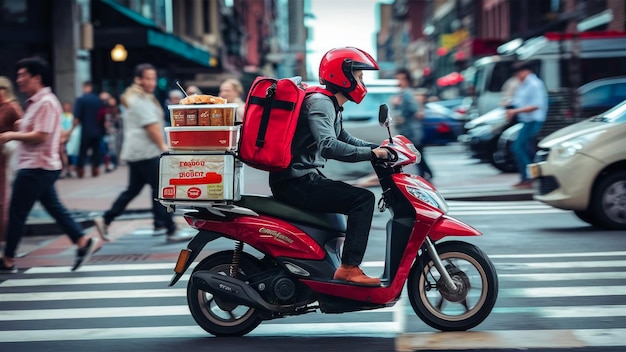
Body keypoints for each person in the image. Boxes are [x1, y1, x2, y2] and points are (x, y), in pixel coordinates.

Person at [269, 47, 388, 286]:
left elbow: (344, 137)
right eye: (358, 75)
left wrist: (381, 147)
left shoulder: (331, 104)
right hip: (296, 181)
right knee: (362, 200)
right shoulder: (321, 103)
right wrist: (370, 154)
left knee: (346, 204)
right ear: (341, 75)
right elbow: (329, 146)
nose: (361, 81)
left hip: (304, 177)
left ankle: (323, 266)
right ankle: (349, 268)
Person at [0, 57, 99, 273]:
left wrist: (10, 135)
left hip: (37, 166)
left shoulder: (45, 102)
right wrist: (20, 127)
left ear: (37, 78)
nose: (19, 80)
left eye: (23, 75)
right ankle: (82, 242)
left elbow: (42, 135)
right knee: (53, 208)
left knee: (17, 211)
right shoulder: (36, 102)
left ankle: (7, 259)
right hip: (40, 166)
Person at [93, 63, 193, 243]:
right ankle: (170, 229)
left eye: (153, 78)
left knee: (133, 190)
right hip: (146, 151)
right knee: (161, 189)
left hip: (137, 151)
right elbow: (152, 126)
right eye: (147, 78)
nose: (152, 82)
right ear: (138, 80)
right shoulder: (140, 100)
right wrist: (163, 146)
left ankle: (106, 219)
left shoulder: (138, 97)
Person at [505, 60, 547, 189]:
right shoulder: (524, 84)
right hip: (527, 121)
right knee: (526, 150)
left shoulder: (534, 84)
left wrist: (515, 111)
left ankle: (529, 177)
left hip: (533, 121)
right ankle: (528, 177)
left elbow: (536, 105)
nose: (518, 76)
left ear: (525, 71)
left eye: (519, 73)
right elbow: (520, 101)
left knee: (519, 148)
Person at [0, 76, 23, 244]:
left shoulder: (11, 108)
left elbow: (23, 129)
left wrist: (10, 140)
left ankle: (4, 240)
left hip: (5, 159)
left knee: (3, 200)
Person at [74, 81, 105, 178]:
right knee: (96, 150)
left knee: (83, 150)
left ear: (85, 87)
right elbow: (103, 114)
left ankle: (81, 169)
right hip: (97, 129)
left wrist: (71, 130)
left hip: (86, 130)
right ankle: (95, 168)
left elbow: (77, 118)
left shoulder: (81, 99)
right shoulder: (98, 99)